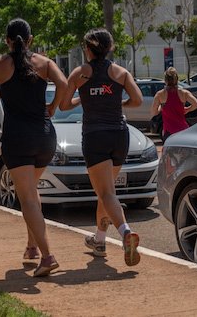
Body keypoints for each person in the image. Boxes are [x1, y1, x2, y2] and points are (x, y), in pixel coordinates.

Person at [0, 18, 68, 277]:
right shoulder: (44, 62)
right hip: (45, 137)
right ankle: (31, 248)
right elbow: (63, 85)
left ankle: (48, 257)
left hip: (17, 139)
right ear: (30, 40)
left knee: (26, 197)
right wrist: (52, 107)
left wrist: (0, 92)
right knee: (31, 193)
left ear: (7, 40)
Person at [60, 28, 143, 267]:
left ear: (88, 49)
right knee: (105, 194)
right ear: (109, 48)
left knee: (106, 193)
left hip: (95, 136)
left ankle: (126, 232)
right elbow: (137, 101)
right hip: (119, 135)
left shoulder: (80, 73)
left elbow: (64, 105)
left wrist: (83, 98)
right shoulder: (120, 72)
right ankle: (99, 240)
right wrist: (116, 101)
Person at [150, 67, 197, 142]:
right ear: (176, 79)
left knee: (169, 153)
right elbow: (196, 104)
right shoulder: (184, 93)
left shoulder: (160, 94)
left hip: (169, 132)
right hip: (183, 130)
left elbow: (154, 112)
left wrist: (162, 107)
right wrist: (188, 109)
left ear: (165, 80)